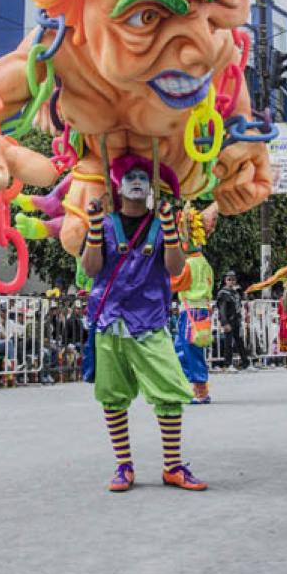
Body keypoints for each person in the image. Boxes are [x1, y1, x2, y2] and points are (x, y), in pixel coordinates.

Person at [81, 155, 206, 493]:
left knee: (169, 390)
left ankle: (173, 467)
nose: (137, 181)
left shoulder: (162, 222)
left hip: (150, 322)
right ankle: (124, 466)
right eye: (129, 176)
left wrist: (169, 226)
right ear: (117, 185)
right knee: (112, 396)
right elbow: (91, 270)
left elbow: (175, 267)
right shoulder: (105, 224)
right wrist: (93, 228)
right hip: (110, 321)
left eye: (142, 176)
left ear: (151, 186)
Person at [171, 204, 214, 404]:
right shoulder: (203, 262)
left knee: (190, 350)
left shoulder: (189, 264)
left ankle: (201, 390)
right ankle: (191, 386)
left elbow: (177, 283)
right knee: (181, 348)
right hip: (199, 310)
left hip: (191, 311)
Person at [216, 271, 250, 371]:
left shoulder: (236, 293)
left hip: (236, 320)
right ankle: (228, 364)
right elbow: (222, 309)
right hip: (228, 320)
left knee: (240, 342)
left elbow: (239, 305)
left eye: (233, 279)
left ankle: (245, 363)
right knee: (228, 343)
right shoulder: (223, 294)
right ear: (225, 281)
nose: (231, 281)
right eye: (229, 279)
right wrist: (224, 323)